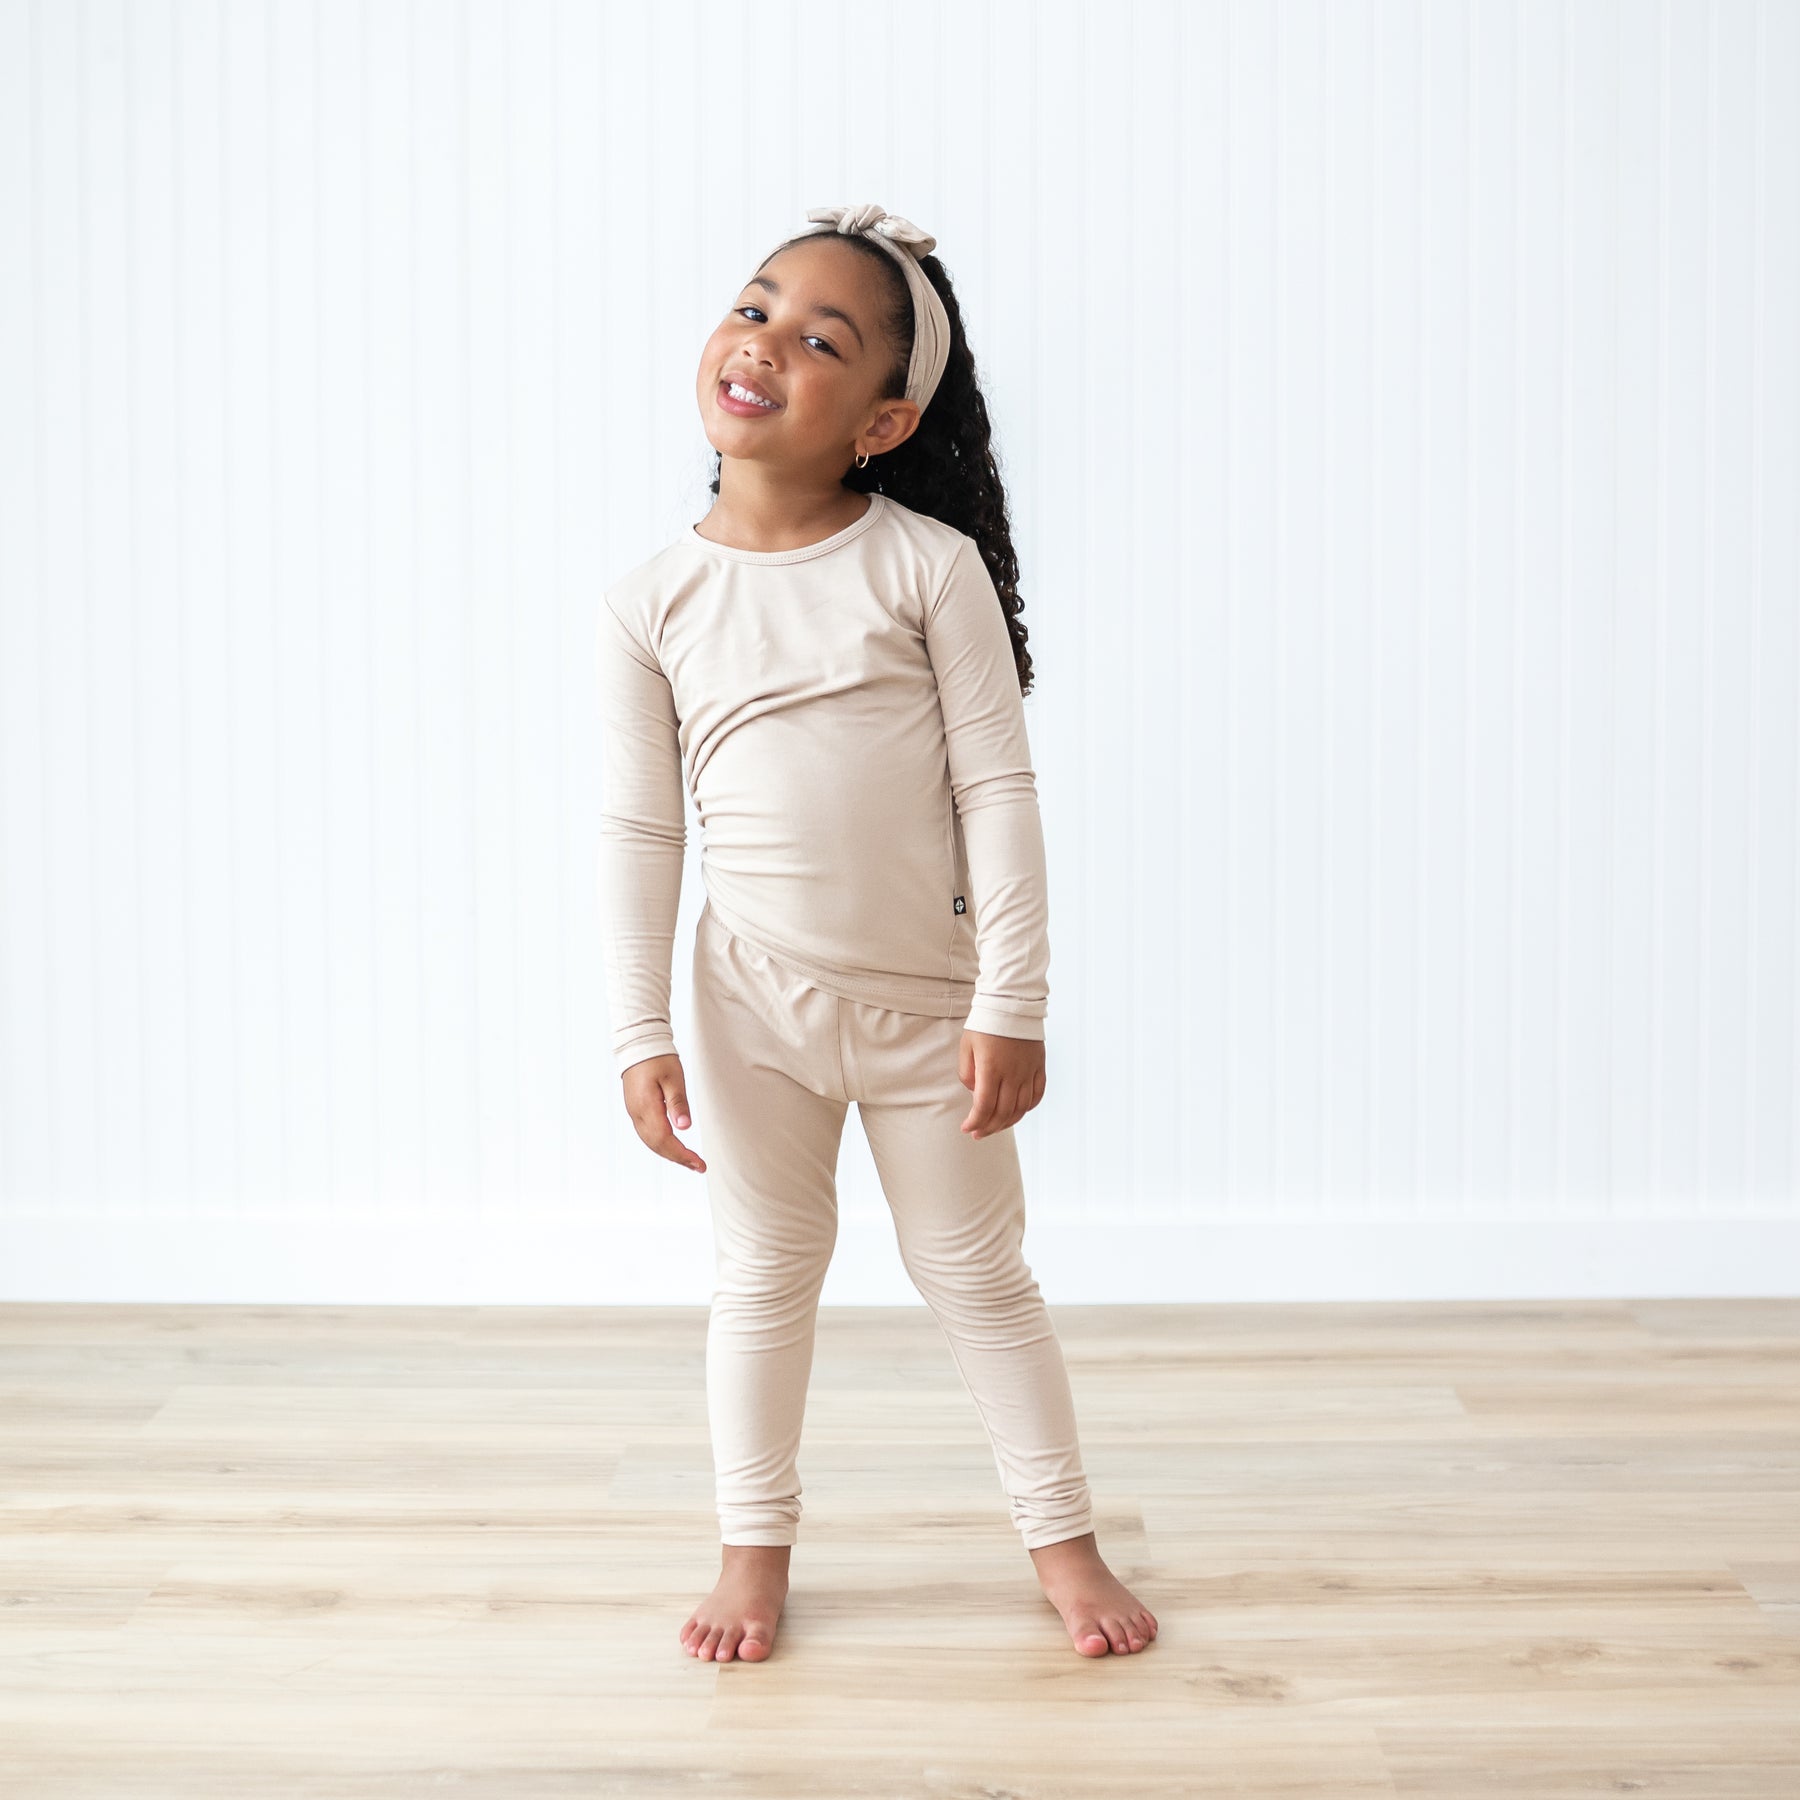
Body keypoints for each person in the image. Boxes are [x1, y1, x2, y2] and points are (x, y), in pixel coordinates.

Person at [596, 202, 1157, 1665]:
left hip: (930, 1008)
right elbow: (643, 831)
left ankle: (1064, 1539)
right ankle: (752, 1547)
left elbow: (999, 786)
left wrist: (1013, 1000)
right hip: (747, 1004)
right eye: (755, 305)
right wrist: (640, 1029)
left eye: (821, 339)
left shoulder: (923, 568)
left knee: (979, 1275)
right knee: (764, 1272)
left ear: (885, 418)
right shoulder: (653, 599)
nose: (765, 342)